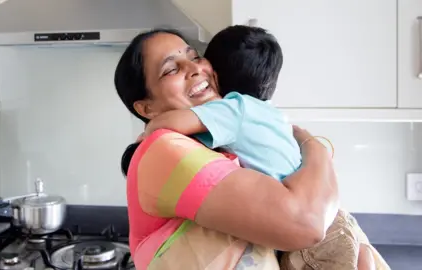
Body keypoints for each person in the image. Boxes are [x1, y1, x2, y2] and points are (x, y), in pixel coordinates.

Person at [142, 25, 389, 270]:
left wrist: (150, 131)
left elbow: (174, 124)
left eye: (197, 57)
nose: (196, 69)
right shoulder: (269, 112)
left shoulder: (231, 110)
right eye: (171, 68)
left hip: (311, 232)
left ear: (216, 74)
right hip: (334, 218)